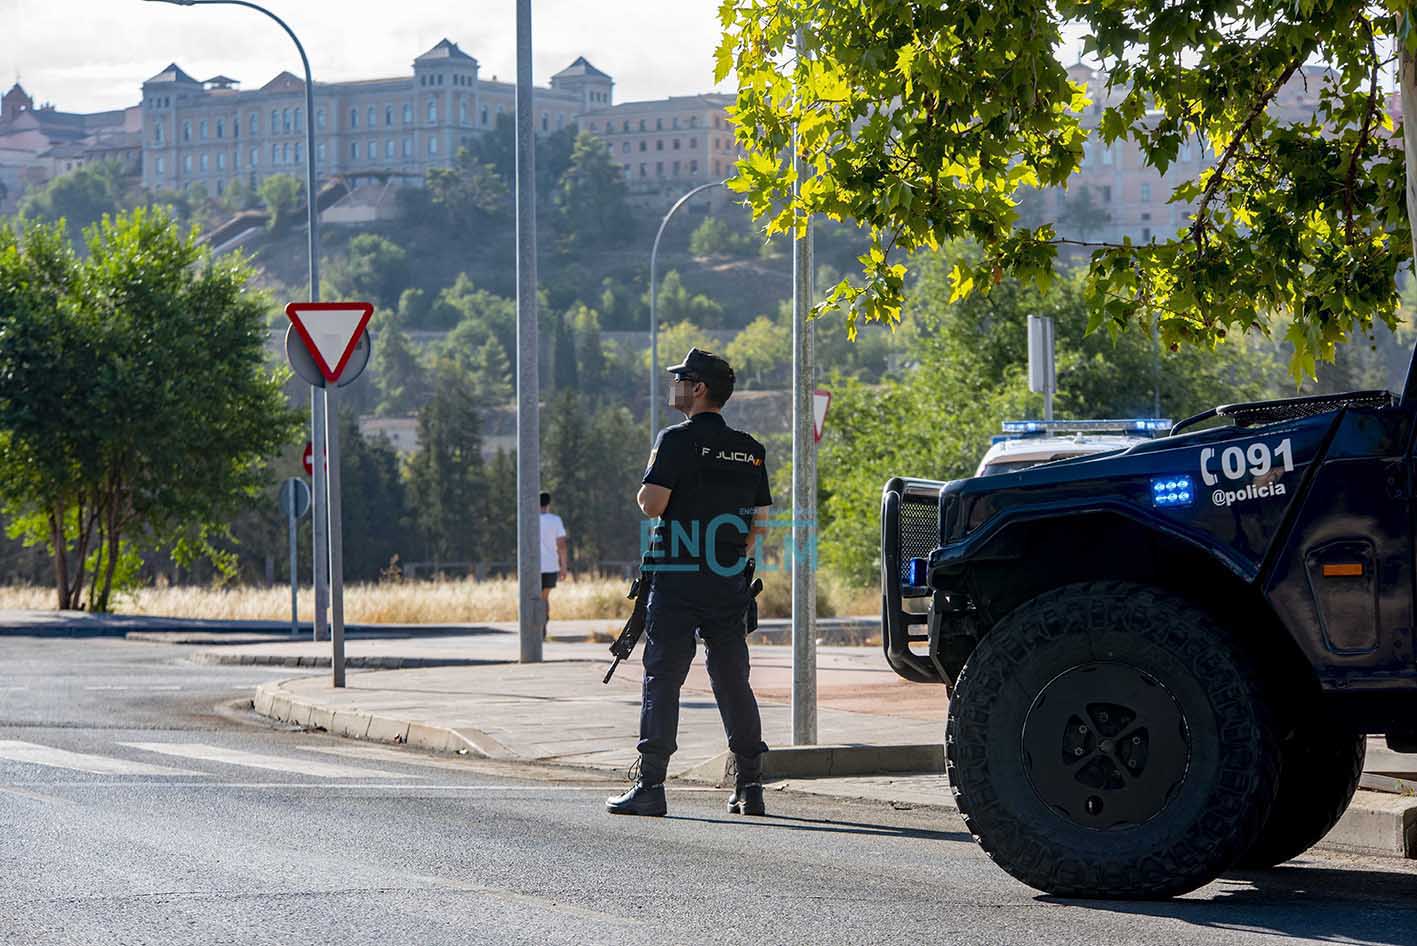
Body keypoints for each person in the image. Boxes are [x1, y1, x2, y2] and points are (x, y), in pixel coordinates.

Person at [606, 348, 772, 818]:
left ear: (699, 388)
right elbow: (758, 524)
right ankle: (750, 786)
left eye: (680, 379)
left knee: (663, 678)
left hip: (678, 577)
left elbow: (652, 505)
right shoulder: (751, 449)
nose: (673, 386)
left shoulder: (675, 440)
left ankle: (651, 785)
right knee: (732, 681)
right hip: (727, 579)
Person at [539, 491, 568, 639]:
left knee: (533, 597)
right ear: (548, 504)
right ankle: (542, 626)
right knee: (544, 597)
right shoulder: (555, 520)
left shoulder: (530, 519)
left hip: (532, 567)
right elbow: (561, 545)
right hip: (550, 565)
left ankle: (534, 626)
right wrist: (563, 566)